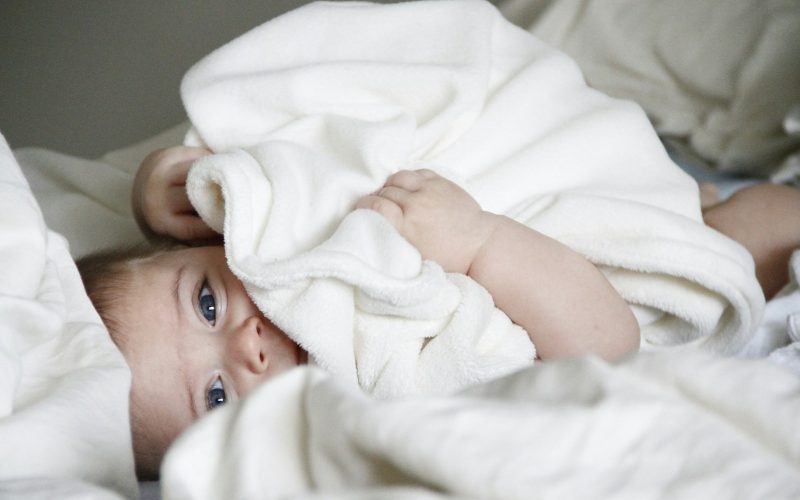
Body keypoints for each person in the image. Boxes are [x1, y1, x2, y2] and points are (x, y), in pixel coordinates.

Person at [79, 146, 800, 478]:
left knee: (684, 195)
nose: (247, 349)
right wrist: (479, 241)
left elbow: (263, 161)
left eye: (206, 302)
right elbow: (607, 349)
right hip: (599, 281)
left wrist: (164, 186)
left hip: (572, 187)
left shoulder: (288, 237)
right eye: (216, 395)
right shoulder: (380, 395)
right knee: (752, 233)